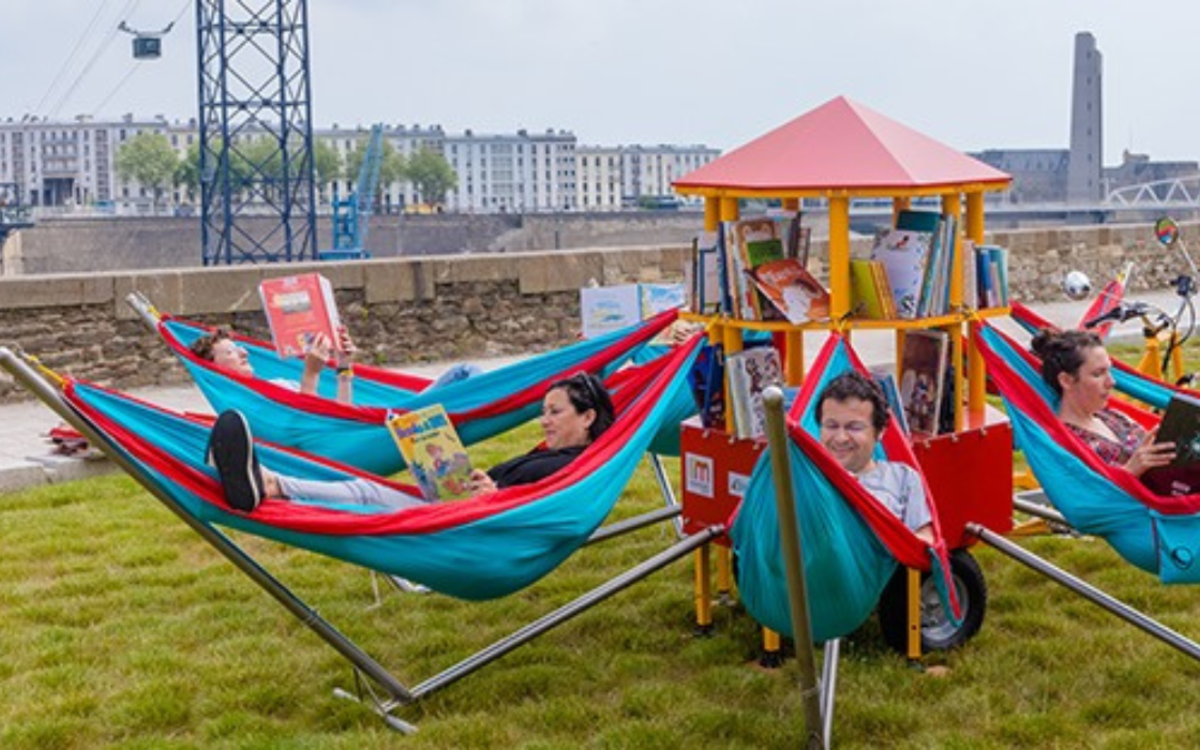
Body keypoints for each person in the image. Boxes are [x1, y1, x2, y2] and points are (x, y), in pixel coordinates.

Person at [206, 371, 615, 513]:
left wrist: (493, 496)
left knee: (366, 493)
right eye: (543, 411)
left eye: (554, 412)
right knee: (368, 491)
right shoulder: (561, 454)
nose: (543, 421)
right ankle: (267, 481)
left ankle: (270, 484)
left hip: (473, 526)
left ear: (588, 417)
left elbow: (542, 506)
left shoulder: (576, 464)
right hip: (463, 506)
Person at [1031, 328, 1174, 476]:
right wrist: (1130, 472)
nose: (1111, 382)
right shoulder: (1063, 442)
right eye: (1098, 374)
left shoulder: (1113, 417)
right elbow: (1089, 494)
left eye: (1109, 371)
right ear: (1066, 380)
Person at [815, 371, 934, 543]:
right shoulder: (809, 479)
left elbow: (926, 539)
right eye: (831, 426)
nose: (840, 438)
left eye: (854, 427)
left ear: (880, 432)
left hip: (887, 565)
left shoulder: (903, 479)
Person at [189, 326, 357, 404]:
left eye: (240, 348)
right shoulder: (245, 406)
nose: (245, 353)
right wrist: (311, 374)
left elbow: (341, 421)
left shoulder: (278, 385)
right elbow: (312, 427)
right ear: (213, 369)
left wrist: (344, 365)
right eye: (230, 352)